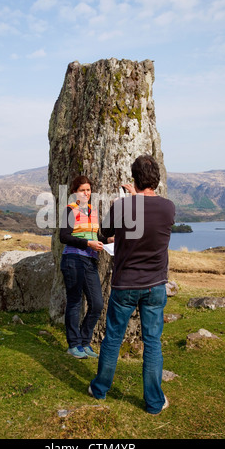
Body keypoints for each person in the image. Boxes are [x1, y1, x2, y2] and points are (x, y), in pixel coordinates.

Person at [89, 154, 175, 414]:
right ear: (156, 180)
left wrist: (125, 202)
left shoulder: (123, 207)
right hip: (156, 284)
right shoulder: (169, 208)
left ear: (135, 180)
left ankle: (100, 389)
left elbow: (104, 234)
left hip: (125, 284)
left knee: (113, 338)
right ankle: (153, 402)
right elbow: (148, 220)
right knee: (153, 342)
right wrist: (133, 198)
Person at [60, 175, 113, 359]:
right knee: (74, 302)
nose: (86, 193)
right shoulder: (69, 210)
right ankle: (74, 345)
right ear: (75, 192)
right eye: (82, 190)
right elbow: (64, 237)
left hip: (90, 261)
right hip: (73, 260)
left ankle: (84, 342)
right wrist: (88, 244)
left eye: (88, 190)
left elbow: (94, 235)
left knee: (97, 304)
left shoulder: (92, 210)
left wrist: (107, 240)